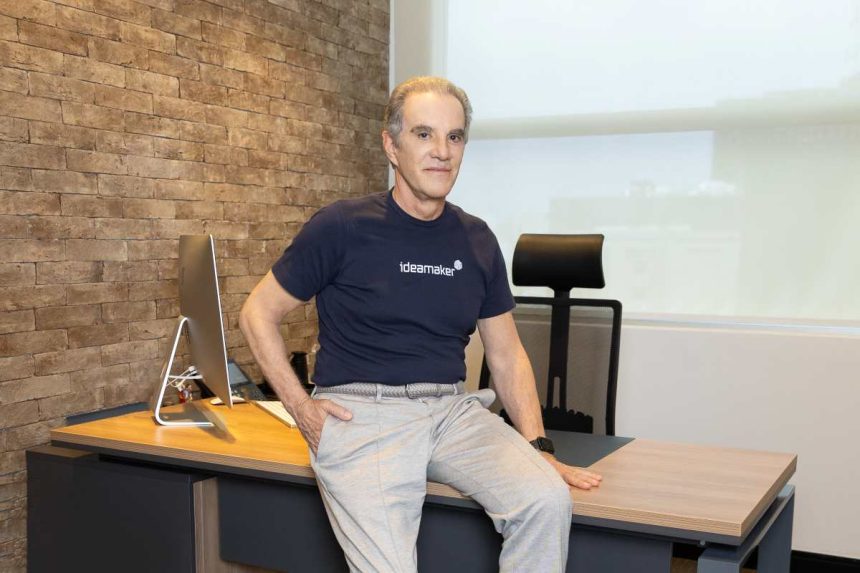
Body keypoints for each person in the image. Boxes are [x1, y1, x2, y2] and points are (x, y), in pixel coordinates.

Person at [239, 76, 602, 573]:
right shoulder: (342, 226)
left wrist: (539, 446)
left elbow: (506, 354)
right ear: (392, 146)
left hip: (452, 411)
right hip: (365, 412)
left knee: (545, 499)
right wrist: (300, 407)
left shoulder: (476, 238)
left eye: (454, 137)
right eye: (424, 134)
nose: (442, 152)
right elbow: (257, 313)